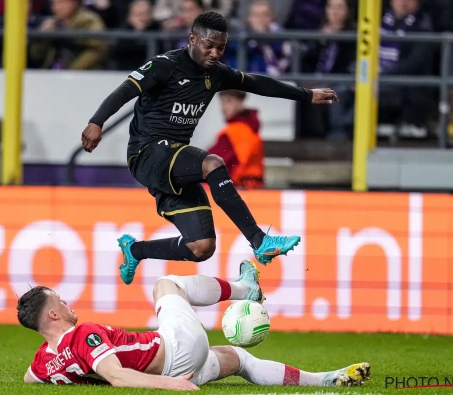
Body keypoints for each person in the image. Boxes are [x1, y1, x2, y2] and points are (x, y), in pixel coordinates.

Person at [81, 11, 338, 286]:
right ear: (192, 39)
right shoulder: (165, 65)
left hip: (173, 160)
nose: (215, 53)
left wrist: (305, 95)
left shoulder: (215, 74)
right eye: (209, 45)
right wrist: (97, 121)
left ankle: (135, 251)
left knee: (202, 246)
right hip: (147, 152)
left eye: (221, 48)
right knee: (212, 163)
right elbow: (125, 90)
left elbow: (256, 82)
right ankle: (259, 240)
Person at [18, 259, 371, 389]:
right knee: (167, 284)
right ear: (52, 315)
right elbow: (117, 376)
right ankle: (246, 289)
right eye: (59, 301)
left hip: (184, 365)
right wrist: (171, 385)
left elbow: (29, 378)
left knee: (238, 358)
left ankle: (325, 379)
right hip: (176, 350)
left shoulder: (44, 361)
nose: (67, 302)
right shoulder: (83, 334)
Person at [208, 89, 264, 189]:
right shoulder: (250, 128)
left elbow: (210, 161)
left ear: (240, 102)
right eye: (222, 102)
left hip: (239, 189)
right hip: (254, 189)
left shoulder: (235, 131)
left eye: (228, 101)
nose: (223, 107)